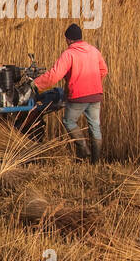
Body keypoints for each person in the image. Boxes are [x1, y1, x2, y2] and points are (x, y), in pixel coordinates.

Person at [34, 24, 108, 163]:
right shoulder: (94, 51)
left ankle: (83, 148)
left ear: (68, 39)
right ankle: (95, 162)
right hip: (96, 94)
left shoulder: (69, 54)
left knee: (69, 121)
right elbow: (103, 70)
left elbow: (54, 76)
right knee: (95, 126)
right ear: (80, 37)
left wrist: (36, 84)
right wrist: (93, 83)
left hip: (78, 96)